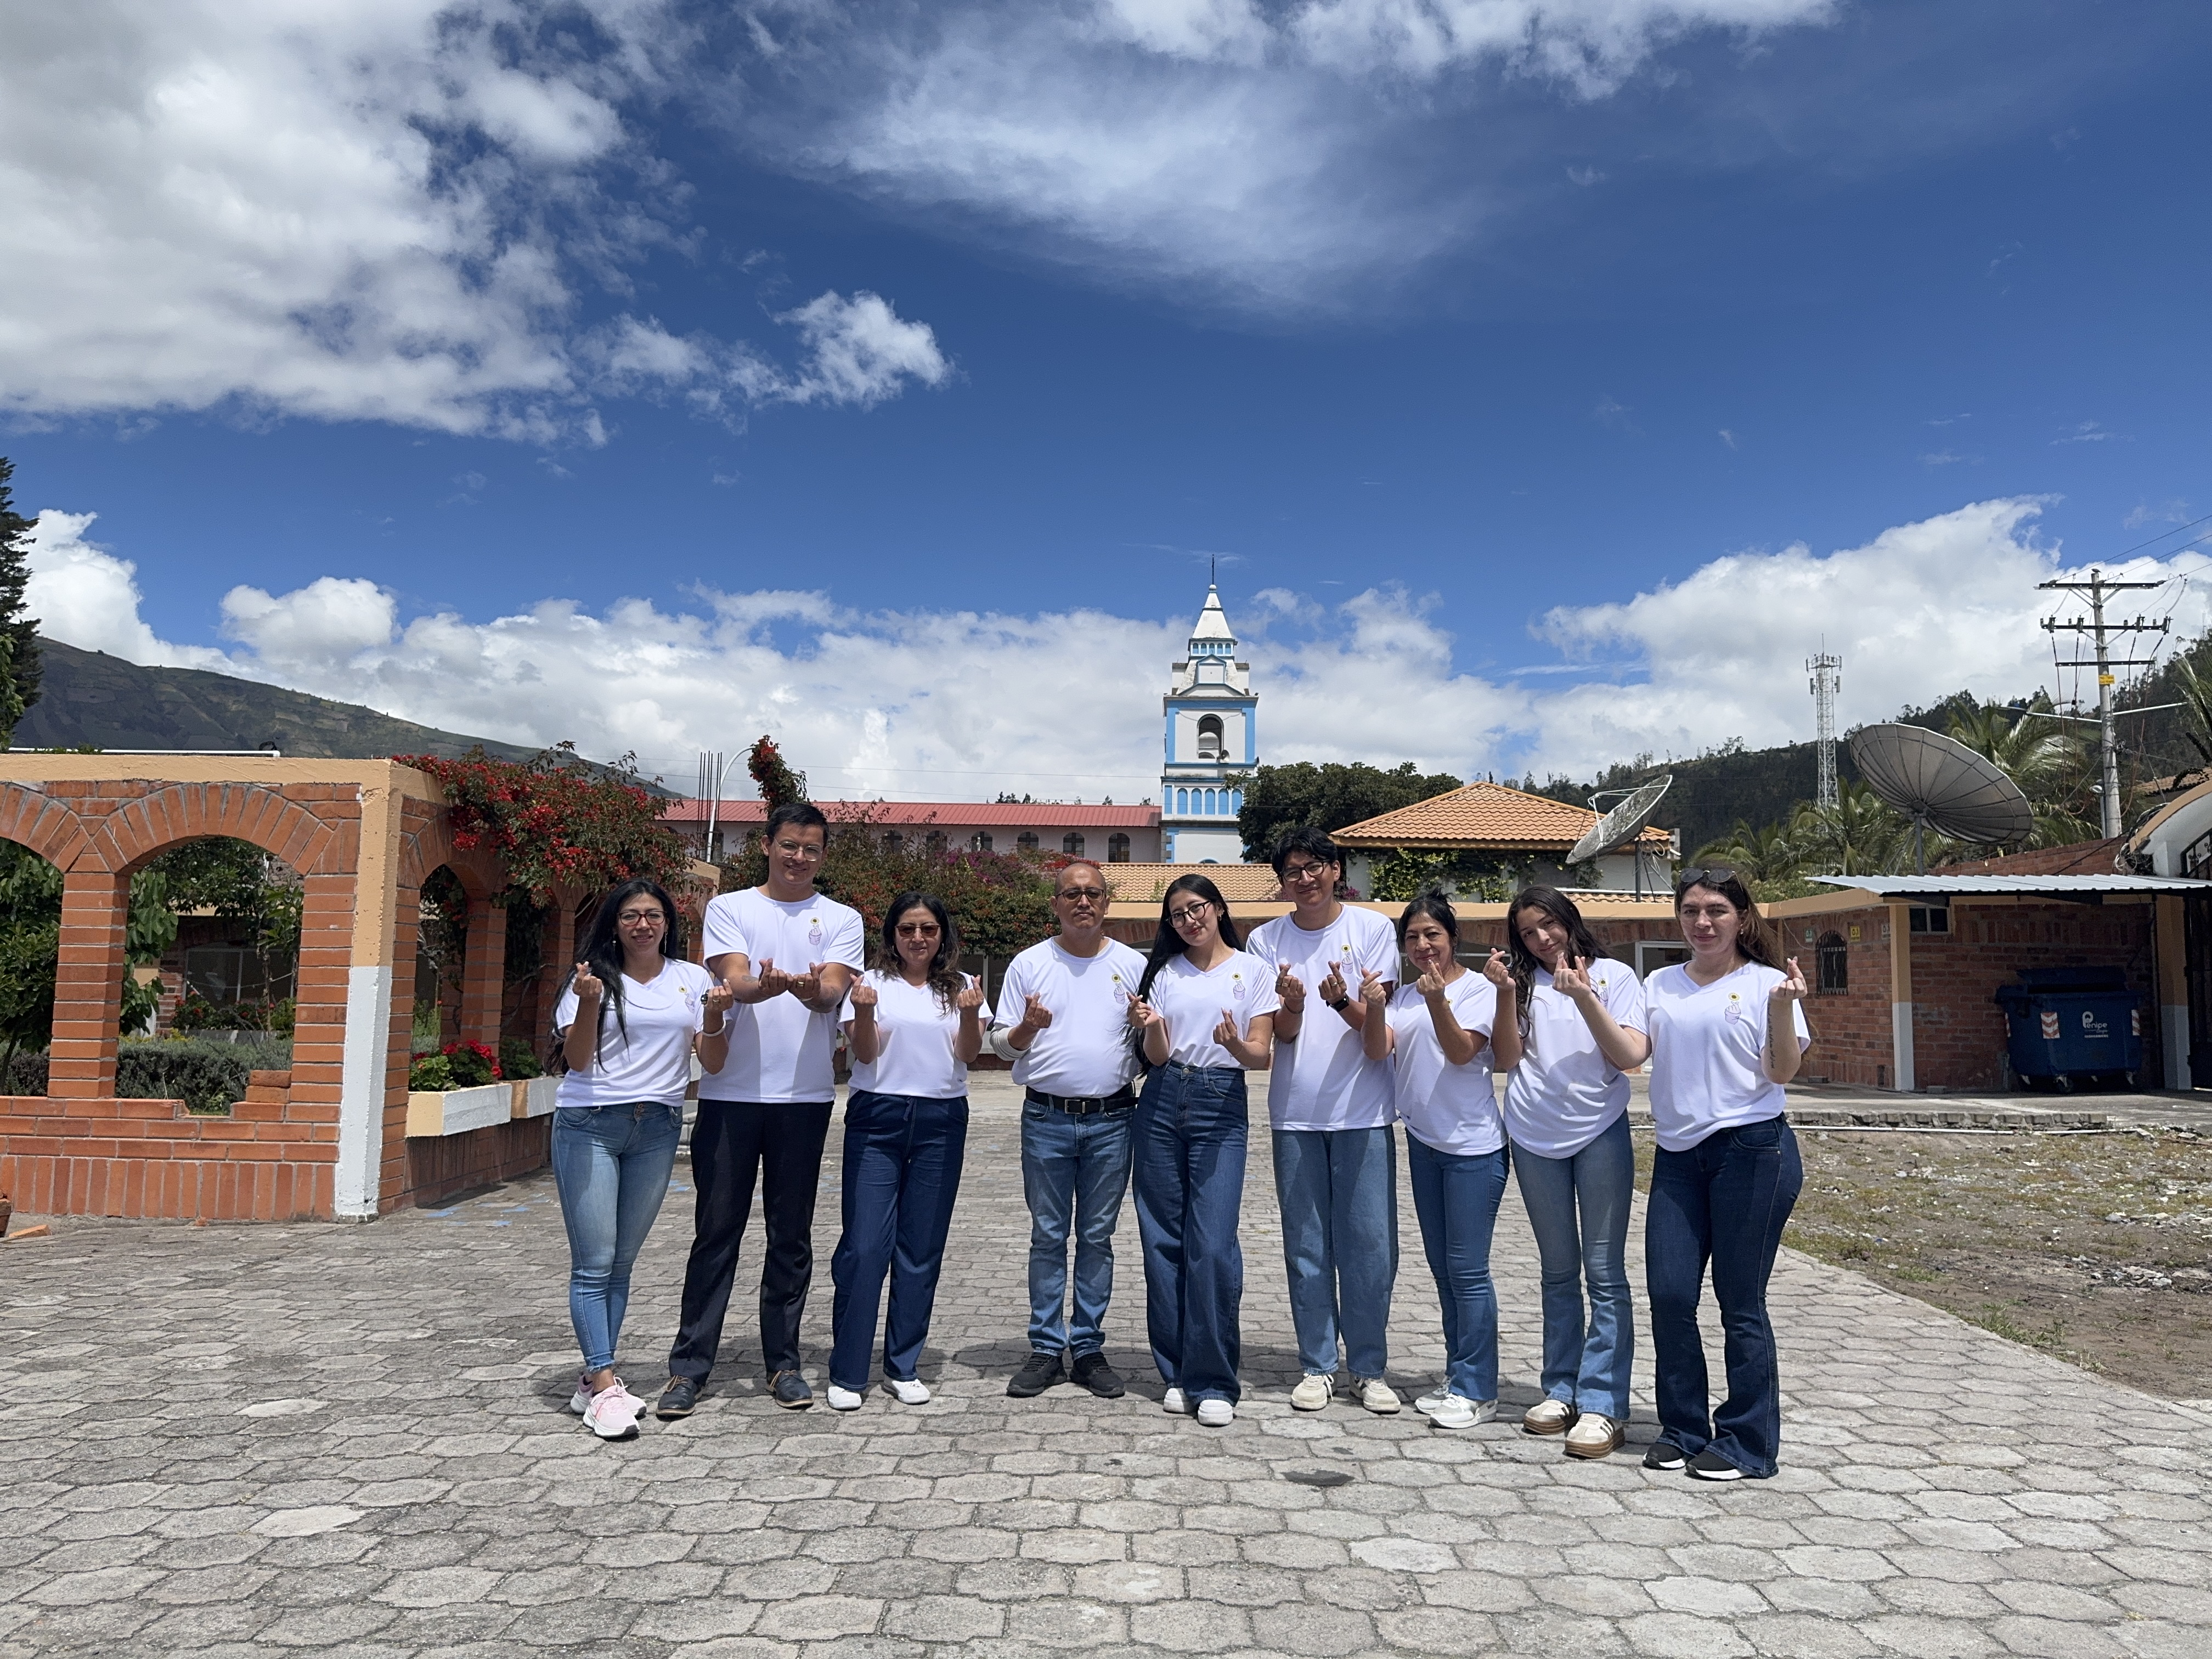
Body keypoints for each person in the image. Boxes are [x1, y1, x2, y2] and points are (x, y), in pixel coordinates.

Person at [658, 802, 865, 1418]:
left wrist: (809, 989)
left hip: (803, 1101)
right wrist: (768, 987)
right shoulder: (730, 908)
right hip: (730, 1100)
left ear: (823, 856)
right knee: (715, 1235)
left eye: (811, 849)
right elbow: (736, 980)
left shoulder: (842, 918)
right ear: (768, 846)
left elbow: (831, 991)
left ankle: (784, 1364)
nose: (799, 858)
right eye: (789, 846)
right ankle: (689, 1369)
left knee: (790, 1236)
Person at [1640, 867, 1810, 1481]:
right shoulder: (1659, 983)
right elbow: (1633, 1052)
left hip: (1752, 1151)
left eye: (1716, 911)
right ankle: (1683, 1428)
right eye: (1691, 911)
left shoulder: (1769, 983)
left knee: (1740, 1303)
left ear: (1741, 918)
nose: (1703, 922)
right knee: (1670, 1295)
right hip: (1677, 1157)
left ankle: (1748, 1443)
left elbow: (1782, 1072)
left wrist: (1782, 1009)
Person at [551, 879, 732, 1441]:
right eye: (631, 915)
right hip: (590, 1124)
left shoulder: (692, 979)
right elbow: (577, 1060)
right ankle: (606, 1386)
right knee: (594, 1261)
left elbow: (714, 1062)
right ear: (615, 923)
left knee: (622, 1262)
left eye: (653, 915)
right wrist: (588, 1003)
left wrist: (714, 1016)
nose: (643, 925)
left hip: (657, 1126)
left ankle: (593, 1378)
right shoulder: (591, 979)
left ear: (667, 923)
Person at [1485, 885, 1649, 1460]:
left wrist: (1582, 996)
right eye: (1527, 932)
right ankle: (1560, 1389)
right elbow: (1506, 1058)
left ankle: (1603, 1403)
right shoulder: (1519, 983)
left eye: (1548, 924)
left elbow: (1628, 1056)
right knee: (1558, 1272)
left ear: (1568, 919)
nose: (1541, 939)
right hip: (1533, 1135)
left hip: (1600, 1132)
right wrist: (1505, 994)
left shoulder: (1615, 977)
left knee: (1604, 1273)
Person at [1247, 827, 1403, 1415]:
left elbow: (1378, 1032)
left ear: (1337, 870)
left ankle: (1368, 1367)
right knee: (1307, 1246)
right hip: (1296, 1114)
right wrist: (1292, 1002)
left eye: (1315, 867)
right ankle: (1317, 1364)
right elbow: (1280, 1036)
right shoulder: (1265, 940)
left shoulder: (1372, 930)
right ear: (1282, 882)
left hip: (1363, 1112)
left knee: (1369, 1246)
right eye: (1293, 871)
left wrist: (1340, 1001)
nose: (1306, 879)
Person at [990, 861, 1150, 1400]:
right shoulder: (1030, 963)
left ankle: (1086, 1348)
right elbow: (1001, 1046)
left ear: (1107, 902)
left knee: (1098, 1238)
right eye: (1072, 894)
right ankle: (1044, 1348)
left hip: (1113, 1120)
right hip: (1046, 1119)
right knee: (1048, 1236)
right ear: (1056, 903)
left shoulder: (1133, 965)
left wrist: (1144, 1029)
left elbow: (1152, 1041)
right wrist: (1027, 1028)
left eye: (1093, 893)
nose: (1083, 902)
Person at [1126, 873, 1279, 1428]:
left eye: (1196, 908)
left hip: (1221, 1101)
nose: (1189, 921)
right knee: (1163, 1240)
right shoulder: (1165, 972)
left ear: (1218, 908)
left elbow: (1261, 1055)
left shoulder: (1253, 970)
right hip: (1162, 1099)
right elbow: (1157, 1056)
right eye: (1177, 915)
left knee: (1212, 1244)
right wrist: (1151, 1026)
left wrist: (1235, 1044)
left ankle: (1214, 1379)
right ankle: (1175, 1372)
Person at [825, 892, 983, 1410]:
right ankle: (849, 1371)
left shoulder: (962, 987)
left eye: (929, 929)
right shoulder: (870, 984)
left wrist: (970, 1016)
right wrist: (864, 1012)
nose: (918, 938)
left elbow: (967, 1054)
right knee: (865, 1246)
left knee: (921, 1248)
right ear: (892, 935)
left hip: (941, 1119)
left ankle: (903, 1365)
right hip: (879, 1115)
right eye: (908, 929)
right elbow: (864, 1054)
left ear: (943, 935)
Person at [1359, 891, 1500, 1431]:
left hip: (1473, 1149)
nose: (1423, 945)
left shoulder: (1478, 989)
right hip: (1424, 1143)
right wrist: (1375, 1004)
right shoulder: (1404, 996)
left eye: (1432, 935)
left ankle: (1479, 1389)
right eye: (1413, 937)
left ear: (1453, 938)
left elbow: (1462, 1052)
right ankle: (1458, 1374)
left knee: (1469, 1271)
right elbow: (1378, 1050)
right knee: (1444, 1271)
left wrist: (1439, 1000)